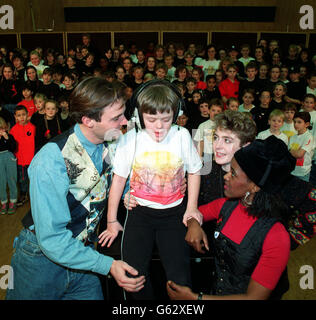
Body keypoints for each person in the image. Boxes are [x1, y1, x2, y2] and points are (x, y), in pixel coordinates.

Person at [6, 77, 145, 300]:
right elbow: (52, 239)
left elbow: (124, 180)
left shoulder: (114, 142)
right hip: (40, 260)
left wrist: (133, 189)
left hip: (82, 255)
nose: (124, 121)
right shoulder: (51, 159)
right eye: (116, 117)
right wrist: (107, 265)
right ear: (88, 120)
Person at [98, 80, 203, 300]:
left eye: (166, 120)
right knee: (134, 276)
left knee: (179, 277)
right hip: (139, 216)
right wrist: (111, 220)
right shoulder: (131, 139)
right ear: (138, 116)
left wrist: (191, 207)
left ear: (175, 115)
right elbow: (118, 180)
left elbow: (194, 171)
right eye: (151, 119)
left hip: (174, 216)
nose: (158, 126)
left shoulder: (182, 136)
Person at [167, 135, 296, 300]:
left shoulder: (276, 236)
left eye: (233, 173)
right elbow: (194, 213)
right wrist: (194, 225)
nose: (226, 176)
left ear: (255, 186)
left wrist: (195, 299)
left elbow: (254, 298)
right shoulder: (226, 205)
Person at [9, 105, 36, 207]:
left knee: (33, 179)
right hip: (20, 161)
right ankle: (23, 195)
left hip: (32, 159)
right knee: (22, 179)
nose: (21, 117)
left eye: (23, 115)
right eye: (19, 115)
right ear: (15, 117)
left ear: (27, 115)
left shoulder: (32, 127)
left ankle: (34, 195)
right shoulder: (13, 130)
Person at [289, 111, 314, 183]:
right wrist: (295, 151)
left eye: (299, 122)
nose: (296, 124)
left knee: (301, 193)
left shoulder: (309, 137)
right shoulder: (292, 137)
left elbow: (299, 155)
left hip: (303, 173)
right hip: (292, 171)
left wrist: (291, 151)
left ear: (307, 124)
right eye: (294, 122)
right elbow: (289, 154)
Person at [0, 117, 17, 215]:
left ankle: (13, 201)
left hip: (9, 157)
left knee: (11, 179)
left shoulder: (9, 136)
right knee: (1, 181)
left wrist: (7, 139)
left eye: (2, 129)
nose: (1, 131)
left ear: (5, 128)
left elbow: (14, 148)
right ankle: (3, 202)